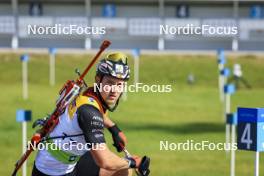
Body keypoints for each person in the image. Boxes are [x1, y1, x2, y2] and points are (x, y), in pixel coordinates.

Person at [31, 52, 143, 176]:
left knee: (123, 171)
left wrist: (113, 128)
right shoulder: (89, 112)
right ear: (98, 80)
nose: (114, 90)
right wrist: (133, 162)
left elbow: (95, 113)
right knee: (123, 166)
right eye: (110, 83)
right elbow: (105, 161)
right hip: (53, 171)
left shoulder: (89, 95)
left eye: (120, 85)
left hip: (71, 158)